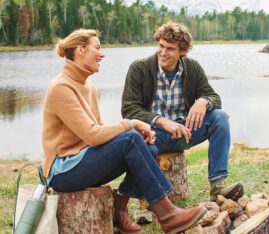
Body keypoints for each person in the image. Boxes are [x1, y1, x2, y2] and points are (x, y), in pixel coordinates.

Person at [41, 29, 206, 234]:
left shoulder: (88, 86)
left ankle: (120, 208)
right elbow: (93, 135)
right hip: (63, 171)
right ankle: (168, 215)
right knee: (130, 139)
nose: (102, 54)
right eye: (98, 48)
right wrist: (131, 123)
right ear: (81, 50)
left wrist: (132, 130)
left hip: (82, 161)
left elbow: (99, 132)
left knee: (147, 145)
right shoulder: (61, 87)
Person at [122, 22, 243, 202]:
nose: (163, 52)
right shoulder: (139, 68)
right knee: (140, 144)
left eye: (170, 48)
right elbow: (129, 109)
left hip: (185, 132)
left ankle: (217, 187)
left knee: (220, 117)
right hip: (153, 134)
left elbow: (214, 97)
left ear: (183, 51)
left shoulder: (192, 67)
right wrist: (161, 121)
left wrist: (204, 101)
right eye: (161, 46)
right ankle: (146, 202)